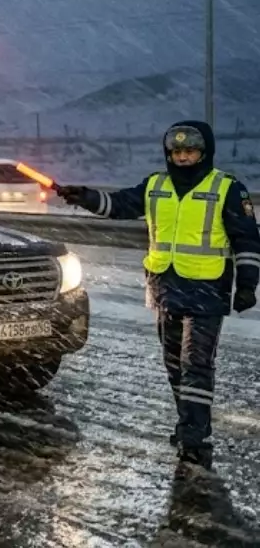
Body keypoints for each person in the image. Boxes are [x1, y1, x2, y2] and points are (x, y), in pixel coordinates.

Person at [55, 120, 260, 467]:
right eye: (176, 151)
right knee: (174, 365)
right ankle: (187, 423)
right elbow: (119, 204)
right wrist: (86, 197)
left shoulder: (227, 188)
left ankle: (195, 436)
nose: (182, 157)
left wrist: (248, 284)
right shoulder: (155, 185)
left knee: (196, 364)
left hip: (207, 290)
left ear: (205, 152)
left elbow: (247, 238)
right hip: (166, 288)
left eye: (190, 151)